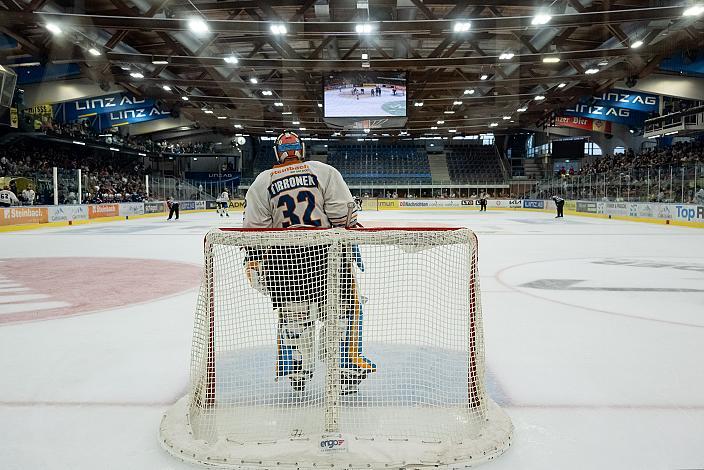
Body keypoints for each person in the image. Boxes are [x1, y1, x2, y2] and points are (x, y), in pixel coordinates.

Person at [243, 130, 375, 395]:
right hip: (326, 257)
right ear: (301, 150)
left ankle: (299, 370)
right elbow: (344, 216)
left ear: (277, 153)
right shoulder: (323, 171)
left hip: (284, 262)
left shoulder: (262, 181)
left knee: (295, 319)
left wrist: (253, 260)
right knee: (341, 314)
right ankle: (344, 369)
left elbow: (254, 229)